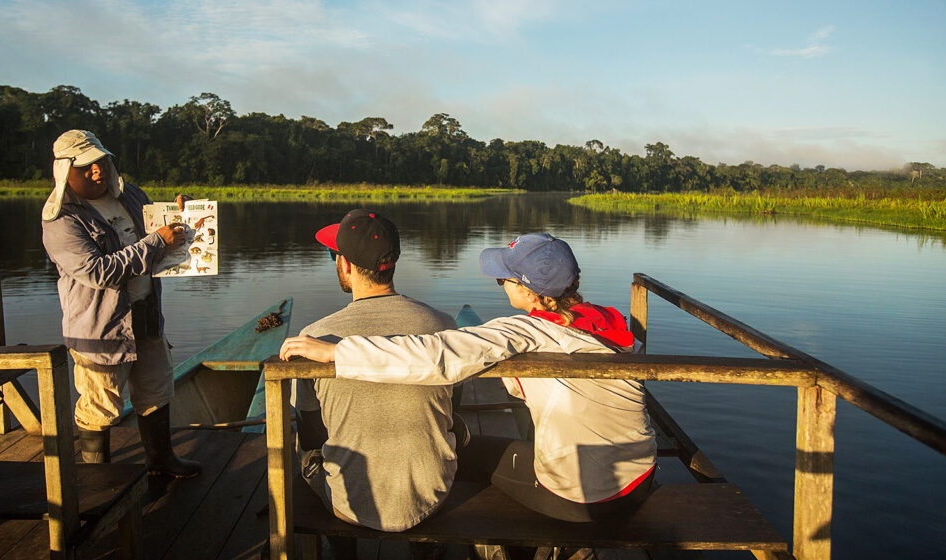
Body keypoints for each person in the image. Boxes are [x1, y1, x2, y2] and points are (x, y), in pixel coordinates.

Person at [281, 233, 657, 523]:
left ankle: (494, 543)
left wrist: (338, 352)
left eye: (504, 279)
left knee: (465, 453)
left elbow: (437, 355)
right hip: (641, 477)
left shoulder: (525, 330)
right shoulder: (606, 322)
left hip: (588, 497)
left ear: (526, 289)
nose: (500, 284)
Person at [41, 129, 201, 478]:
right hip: (102, 329)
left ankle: (162, 461)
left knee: (156, 391)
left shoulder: (130, 195)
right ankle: (96, 479)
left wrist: (182, 214)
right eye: (86, 167)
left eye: (101, 161)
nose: (97, 170)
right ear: (65, 171)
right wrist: (157, 242)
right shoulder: (62, 219)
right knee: (100, 405)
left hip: (146, 317)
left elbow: (157, 230)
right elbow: (98, 272)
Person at [293, 208, 460, 540]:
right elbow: (453, 408)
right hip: (431, 497)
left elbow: (312, 432)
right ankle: (427, 546)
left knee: (305, 452)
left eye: (333, 255)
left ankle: (342, 547)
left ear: (345, 264)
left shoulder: (315, 337)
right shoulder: (443, 325)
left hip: (349, 505)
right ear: (392, 262)